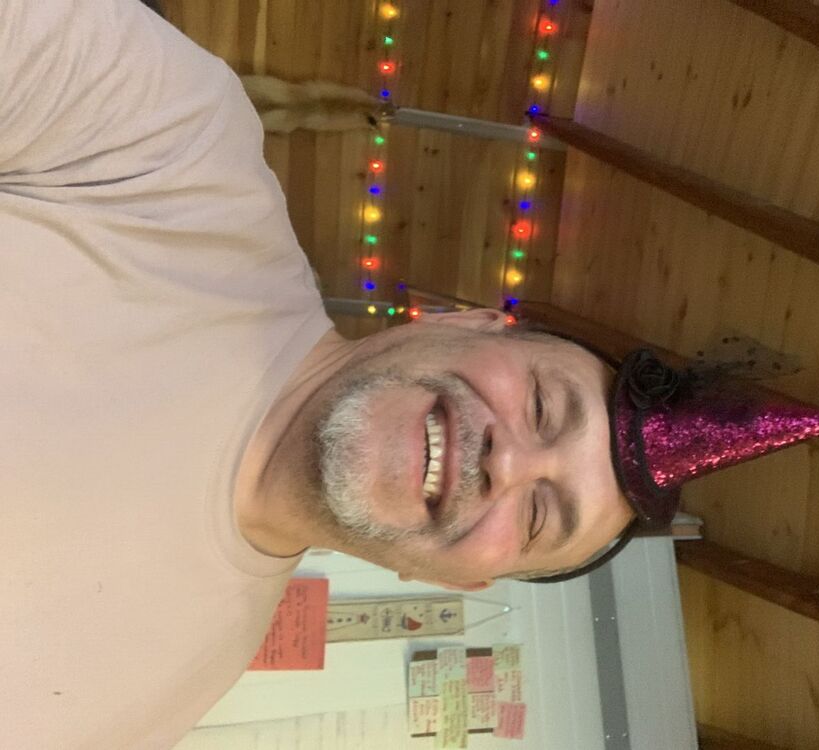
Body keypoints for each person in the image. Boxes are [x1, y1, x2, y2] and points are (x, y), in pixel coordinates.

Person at [1, 2, 634, 746]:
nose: (509, 464)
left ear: (453, 579)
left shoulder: (148, 704)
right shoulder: (176, 145)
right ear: (466, 321)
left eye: (536, 517)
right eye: (542, 405)